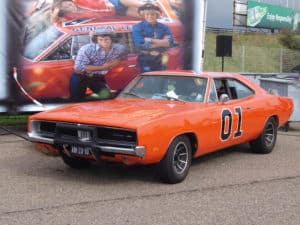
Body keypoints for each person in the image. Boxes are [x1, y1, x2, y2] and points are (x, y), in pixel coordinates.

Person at [69, 32, 126, 100]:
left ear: (112, 40)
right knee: (77, 101)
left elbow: (121, 57)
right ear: (96, 40)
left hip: (96, 78)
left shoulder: (118, 48)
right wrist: (103, 67)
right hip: (81, 77)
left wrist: (112, 63)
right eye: (100, 39)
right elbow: (79, 68)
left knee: (107, 97)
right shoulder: (87, 49)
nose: (104, 42)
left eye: (106, 39)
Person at [132, 3, 174, 72]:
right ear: (144, 15)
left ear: (157, 15)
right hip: (145, 58)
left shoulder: (164, 27)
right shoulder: (137, 27)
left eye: (152, 14)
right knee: (148, 81)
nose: (150, 16)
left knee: (161, 80)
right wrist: (163, 42)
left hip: (161, 58)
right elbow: (139, 43)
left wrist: (150, 40)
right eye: (147, 14)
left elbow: (170, 42)